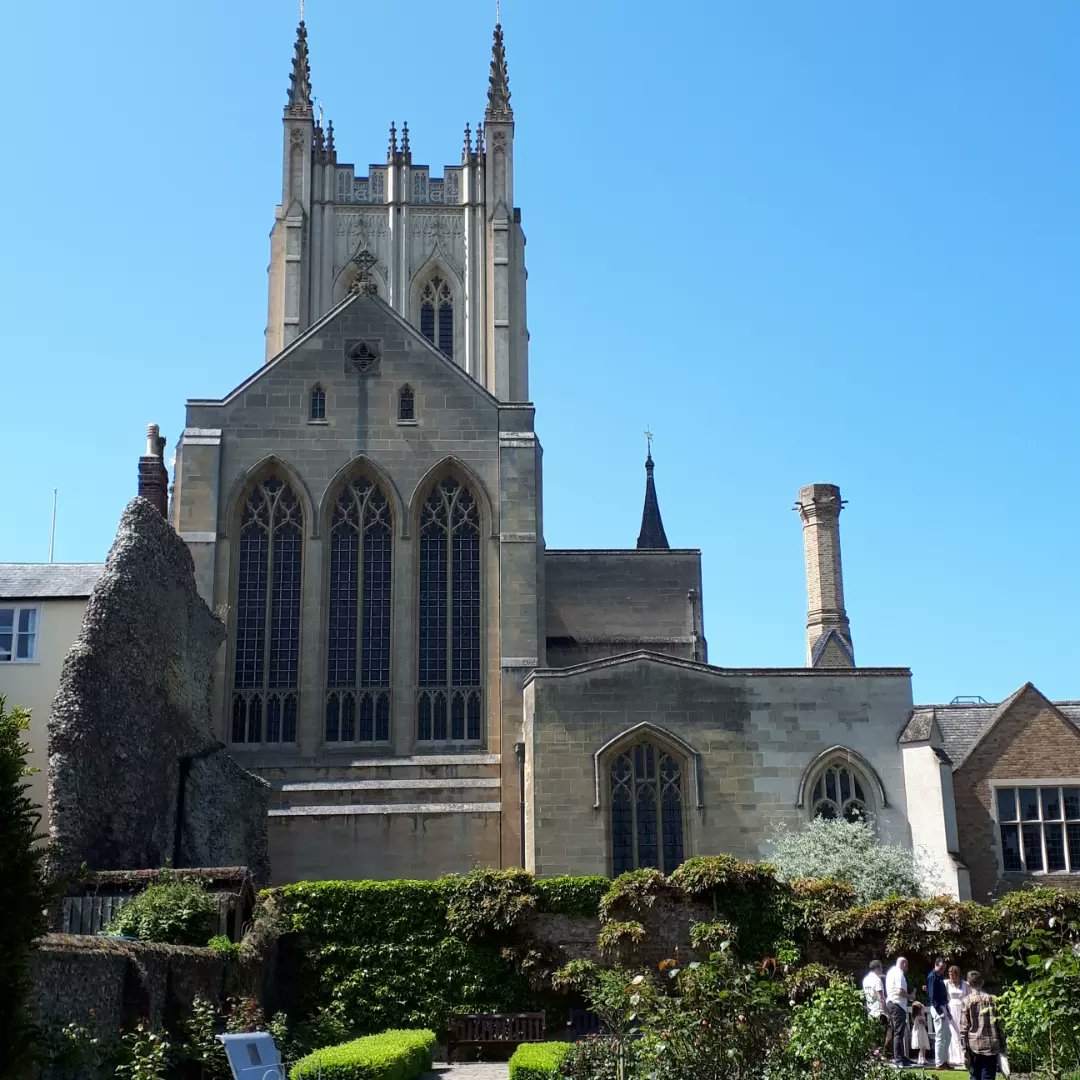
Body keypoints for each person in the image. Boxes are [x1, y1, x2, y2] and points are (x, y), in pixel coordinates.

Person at [960, 970, 1006, 1080]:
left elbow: (964, 1027)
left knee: (974, 1076)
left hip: (974, 1045)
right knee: (988, 1076)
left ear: (969, 983)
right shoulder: (993, 1000)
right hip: (991, 1045)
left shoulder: (966, 1001)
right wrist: (1003, 1045)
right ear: (983, 982)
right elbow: (1000, 1025)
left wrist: (964, 1050)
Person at [885, 956, 915, 1067]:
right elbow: (899, 991)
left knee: (897, 1032)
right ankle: (898, 1059)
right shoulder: (899, 974)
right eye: (906, 965)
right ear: (903, 964)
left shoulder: (890, 972)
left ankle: (901, 1057)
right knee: (898, 1033)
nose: (907, 967)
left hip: (891, 1004)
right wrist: (911, 996)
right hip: (897, 1005)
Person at [926, 956, 952, 1069]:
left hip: (943, 1007)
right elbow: (932, 996)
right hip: (937, 1008)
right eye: (941, 967)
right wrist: (939, 1011)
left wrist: (947, 1010)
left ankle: (944, 1060)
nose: (943, 970)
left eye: (944, 968)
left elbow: (943, 996)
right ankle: (939, 1062)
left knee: (948, 1035)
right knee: (940, 1035)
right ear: (936, 965)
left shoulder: (939, 977)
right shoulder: (932, 977)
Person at [862, 960, 890, 1055]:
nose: (882, 969)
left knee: (873, 1036)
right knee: (881, 1036)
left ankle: (873, 1056)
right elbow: (881, 998)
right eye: (881, 967)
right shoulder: (877, 980)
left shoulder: (866, 980)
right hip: (879, 1012)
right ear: (877, 968)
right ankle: (879, 1056)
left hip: (870, 1011)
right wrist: (886, 1012)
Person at [945, 965, 969, 1068]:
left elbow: (968, 996)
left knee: (962, 1032)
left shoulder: (964, 984)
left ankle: (963, 1056)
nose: (951, 977)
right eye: (949, 974)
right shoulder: (946, 983)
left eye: (953, 974)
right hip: (951, 1009)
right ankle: (953, 1057)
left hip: (962, 1008)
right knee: (953, 1033)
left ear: (957, 974)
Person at [910, 1002, 931, 1067]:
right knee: (922, 1047)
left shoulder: (915, 1017)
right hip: (921, 1033)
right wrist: (924, 1019)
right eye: (922, 1010)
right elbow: (926, 1024)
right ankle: (921, 1059)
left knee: (922, 1047)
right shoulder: (920, 1017)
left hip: (919, 1032)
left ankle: (922, 1058)